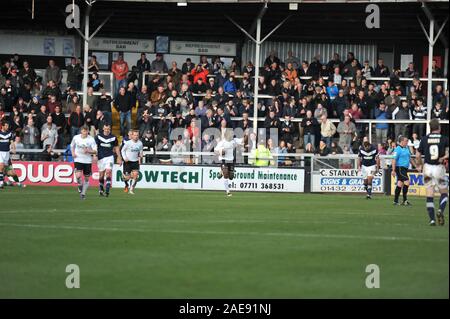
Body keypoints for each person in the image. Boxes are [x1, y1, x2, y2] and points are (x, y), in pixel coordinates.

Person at [415, 119, 449, 226]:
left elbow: (417, 155)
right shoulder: (444, 139)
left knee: (429, 194)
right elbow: (448, 154)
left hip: (427, 168)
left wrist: (419, 165)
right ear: (438, 127)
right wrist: (443, 157)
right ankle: (440, 211)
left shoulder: (424, 139)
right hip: (439, 168)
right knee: (444, 193)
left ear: (430, 127)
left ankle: (432, 220)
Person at [70, 125, 98, 200]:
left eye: (86, 131)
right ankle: (79, 184)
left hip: (87, 160)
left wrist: (89, 151)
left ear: (88, 131)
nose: (85, 132)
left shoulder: (91, 139)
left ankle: (83, 193)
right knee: (78, 176)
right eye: (83, 131)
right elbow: (72, 145)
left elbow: (95, 150)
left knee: (86, 178)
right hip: (78, 159)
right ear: (81, 131)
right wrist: (73, 153)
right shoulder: (76, 137)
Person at [215, 129, 243, 197]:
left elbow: (242, 140)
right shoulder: (222, 142)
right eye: (231, 134)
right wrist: (220, 153)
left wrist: (246, 134)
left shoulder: (234, 140)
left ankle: (221, 172)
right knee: (226, 174)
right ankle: (228, 191)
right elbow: (215, 151)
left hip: (231, 160)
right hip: (223, 159)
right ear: (227, 135)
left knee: (231, 177)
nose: (232, 135)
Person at [95, 124, 121, 197]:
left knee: (108, 172)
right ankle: (101, 188)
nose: (107, 130)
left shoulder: (113, 137)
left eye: (108, 129)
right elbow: (95, 146)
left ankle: (107, 189)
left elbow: (116, 147)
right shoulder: (98, 137)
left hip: (110, 157)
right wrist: (94, 155)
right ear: (103, 128)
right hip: (101, 158)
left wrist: (119, 156)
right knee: (101, 175)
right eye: (105, 129)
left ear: (110, 129)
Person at [392, 136, 414, 206]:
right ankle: (405, 200)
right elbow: (394, 160)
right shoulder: (397, 149)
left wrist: (416, 166)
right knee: (407, 182)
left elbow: (410, 159)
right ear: (402, 141)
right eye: (406, 141)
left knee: (400, 184)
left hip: (405, 168)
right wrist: (393, 170)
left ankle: (395, 201)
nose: (407, 142)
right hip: (400, 168)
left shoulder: (406, 148)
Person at [121, 130, 143, 195]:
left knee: (135, 176)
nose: (136, 136)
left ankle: (131, 190)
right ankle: (126, 182)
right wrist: (125, 158)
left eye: (137, 135)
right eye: (135, 135)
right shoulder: (128, 143)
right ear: (132, 136)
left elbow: (141, 150)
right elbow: (122, 150)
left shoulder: (140, 143)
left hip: (135, 161)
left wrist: (141, 155)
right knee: (127, 178)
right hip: (128, 162)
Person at [0, 121, 20, 189]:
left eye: (8, 126)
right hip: (0, 152)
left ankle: (18, 183)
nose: (7, 127)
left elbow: (11, 141)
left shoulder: (10, 134)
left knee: (12, 173)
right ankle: (1, 183)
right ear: (2, 126)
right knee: (1, 166)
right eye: (6, 125)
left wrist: (14, 148)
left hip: (7, 153)